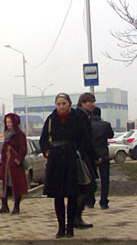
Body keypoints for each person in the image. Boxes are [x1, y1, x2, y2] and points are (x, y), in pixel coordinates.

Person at [40, 93, 89, 238]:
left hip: (71, 159)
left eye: (64, 103)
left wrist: (78, 152)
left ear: (69, 104)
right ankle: (61, 228)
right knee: (58, 196)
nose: (61, 107)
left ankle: (70, 228)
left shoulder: (77, 118)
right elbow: (43, 140)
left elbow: (84, 138)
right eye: (58, 104)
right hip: (55, 160)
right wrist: (47, 152)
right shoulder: (50, 119)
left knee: (72, 195)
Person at [74, 93, 98, 228]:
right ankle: (75, 217)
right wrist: (94, 155)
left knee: (84, 187)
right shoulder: (80, 116)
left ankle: (76, 217)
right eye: (90, 102)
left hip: (83, 155)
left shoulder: (85, 116)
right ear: (82, 103)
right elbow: (85, 139)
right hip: (81, 156)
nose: (93, 104)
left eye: (93, 102)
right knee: (89, 186)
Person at [0, 113, 28, 214]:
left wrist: (18, 159)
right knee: (3, 184)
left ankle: (16, 207)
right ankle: (4, 205)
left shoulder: (20, 135)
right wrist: (3, 160)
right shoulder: (6, 134)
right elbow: (4, 149)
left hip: (15, 165)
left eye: (10, 122)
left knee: (17, 185)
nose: (8, 124)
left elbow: (23, 149)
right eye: (6, 122)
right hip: (6, 164)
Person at [91, 107, 114, 209]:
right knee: (105, 179)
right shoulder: (106, 125)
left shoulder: (88, 125)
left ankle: (90, 200)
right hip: (104, 154)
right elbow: (111, 135)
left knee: (91, 179)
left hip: (92, 154)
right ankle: (104, 202)